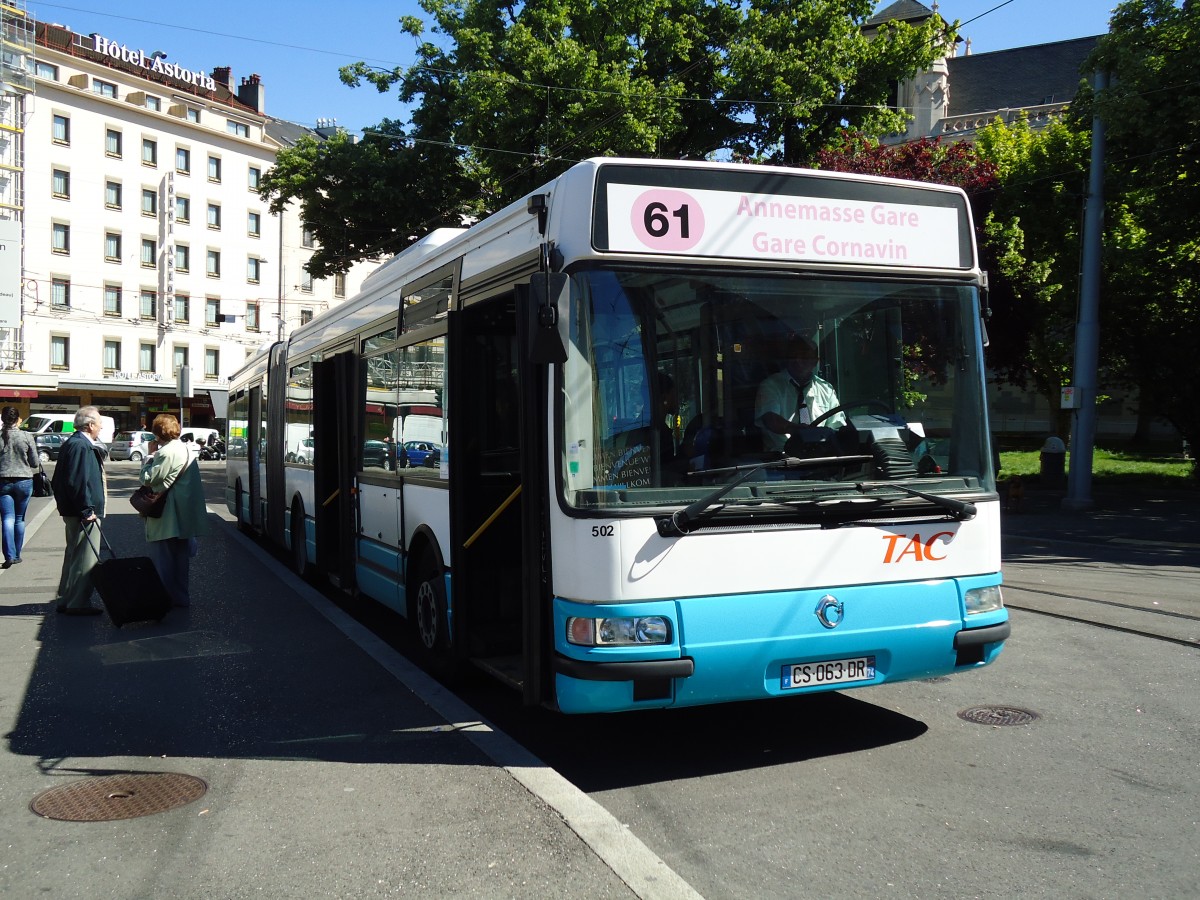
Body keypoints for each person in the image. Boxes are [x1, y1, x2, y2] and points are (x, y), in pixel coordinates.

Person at [140, 413, 209, 608]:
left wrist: (149, 457)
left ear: (157, 434)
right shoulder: (186, 449)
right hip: (184, 516)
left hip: (166, 515)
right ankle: (180, 599)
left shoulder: (165, 452)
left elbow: (148, 479)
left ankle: (163, 601)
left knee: (163, 562)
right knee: (181, 563)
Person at [50, 406, 109, 615]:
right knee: (85, 559)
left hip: (76, 510)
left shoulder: (74, 443)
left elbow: (62, 480)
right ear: (90, 425)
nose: (101, 427)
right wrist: (86, 510)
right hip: (83, 512)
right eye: (99, 422)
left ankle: (66, 598)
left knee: (74, 555)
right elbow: (77, 481)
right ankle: (78, 602)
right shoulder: (81, 446)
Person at [755, 335, 846, 453]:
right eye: (793, 355)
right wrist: (796, 430)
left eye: (804, 356)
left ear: (815, 361)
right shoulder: (771, 385)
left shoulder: (826, 389)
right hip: (781, 459)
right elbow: (770, 419)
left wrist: (819, 438)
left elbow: (837, 427)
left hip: (821, 457)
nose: (797, 360)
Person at [0, 406, 38, 569]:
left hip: (2, 481)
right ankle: (17, 555)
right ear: (17, 419)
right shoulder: (26, 436)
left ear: (2, 419)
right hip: (24, 480)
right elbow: (35, 462)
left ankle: (8, 555)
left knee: (7, 518)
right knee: (19, 518)